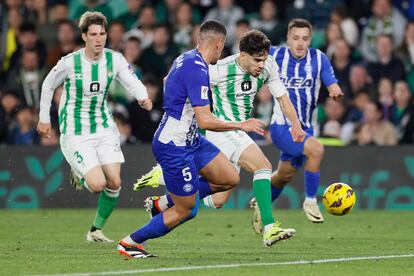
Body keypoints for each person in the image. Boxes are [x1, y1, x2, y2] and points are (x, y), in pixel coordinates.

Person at [134, 30, 305, 247]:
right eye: (256, 60)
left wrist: (296, 125)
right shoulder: (219, 70)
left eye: (263, 59)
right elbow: (171, 79)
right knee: (262, 167)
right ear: (242, 54)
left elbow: (282, 98)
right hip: (222, 130)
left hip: (240, 132)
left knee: (218, 200)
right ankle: (270, 228)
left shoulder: (269, 65)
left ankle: (164, 200)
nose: (261, 64)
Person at [117, 21, 265, 259]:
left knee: (229, 178)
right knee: (187, 210)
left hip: (191, 139)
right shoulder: (198, 70)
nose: (222, 52)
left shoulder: (185, 58)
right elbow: (206, 120)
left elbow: (167, 80)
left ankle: (162, 203)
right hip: (174, 146)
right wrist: (241, 125)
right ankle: (130, 242)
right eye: (223, 47)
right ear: (218, 44)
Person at [37, 11, 152, 243]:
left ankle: (95, 231)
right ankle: (78, 172)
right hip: (75, 131)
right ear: (84, 37)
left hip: (103, 126)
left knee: (115, 182)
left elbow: (131, 80)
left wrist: (143, 96)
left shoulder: (115, 59)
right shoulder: (70, 62)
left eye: (102, 34)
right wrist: (44, 119)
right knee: (98, 184)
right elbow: (48, 84)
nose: (99, 39)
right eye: (93, 34)